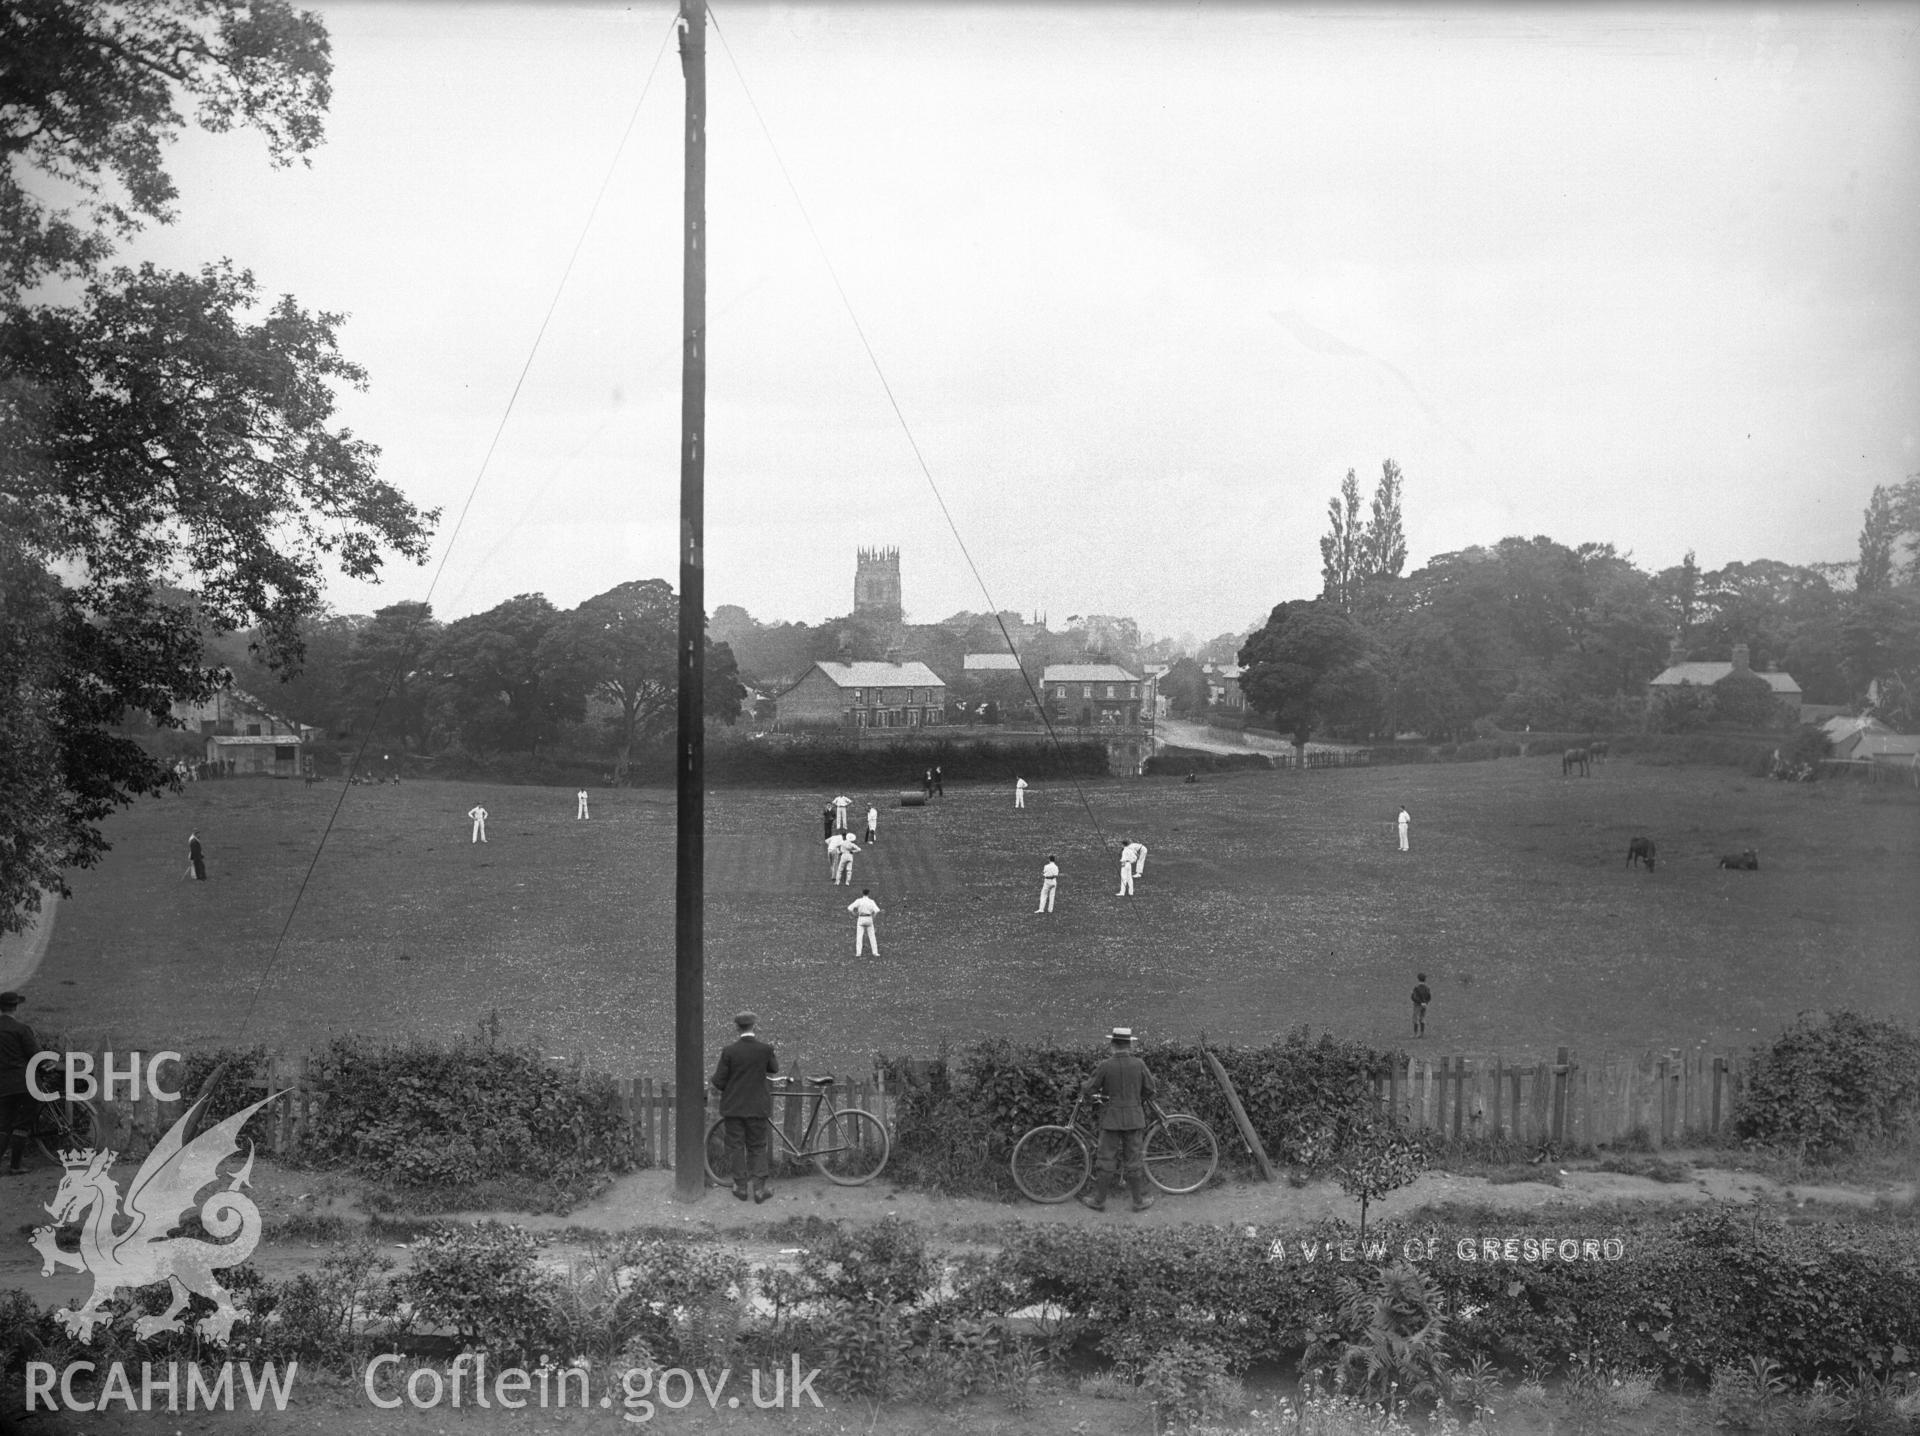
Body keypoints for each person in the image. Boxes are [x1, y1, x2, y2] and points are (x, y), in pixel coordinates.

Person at [1079, 1027, 1157, 1212]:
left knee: (1106, 1158)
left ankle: (1099, 1201)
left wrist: (1083, 1085)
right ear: (1129, 1045)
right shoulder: (1139, 1064)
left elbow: (1089, 1089)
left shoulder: (1105, 1065)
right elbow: (1150, 1089)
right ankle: (1138, 1201)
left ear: (1112, 1044)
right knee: (1134, 1159)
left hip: (1111, 1119)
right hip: (1134, 1118)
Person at [709, 1011, 779, 1202]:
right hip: (757, 1107)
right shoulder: (765, 1049)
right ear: (753, 1026)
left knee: (737, 1146)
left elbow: (718, 1081)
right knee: (757, 1146)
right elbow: (774, 1069)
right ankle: (759, 1190)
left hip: (735, 1108)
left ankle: (740, 1188)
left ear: (737, 1027)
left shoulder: (729, 1051)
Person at [0, 992, 46, 1175]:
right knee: (23, 1123)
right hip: (25, 1082)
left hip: (3, 1084)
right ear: (16, 1007)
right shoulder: (21, 1029)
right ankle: (15, 1166)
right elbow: (36, 1055)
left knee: (2, 1125)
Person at [848, 889, 881, 956]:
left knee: (859, 936)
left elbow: (849, 908)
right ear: (868, 893)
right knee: (872, 936)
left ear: (862, 893)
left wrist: (854, 914)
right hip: (869, 918)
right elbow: (877, 910)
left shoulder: (859, 901)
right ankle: (875, 952)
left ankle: (858, 953)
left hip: (861, 918)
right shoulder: (871, 901)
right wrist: (873, 917)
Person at [1411, 973, 1432, 1037]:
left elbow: (1413, 997)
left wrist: (1419, 1002)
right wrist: (1425, 1003)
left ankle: (1415, 1034)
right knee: (1422, 1018)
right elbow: (1429, 997)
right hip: (1424, 1005)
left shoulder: (1416, 988)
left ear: (1418, 979)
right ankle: (1422, 1033)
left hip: (1417, 1005)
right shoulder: (1427, 988)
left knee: (1415, 1018)